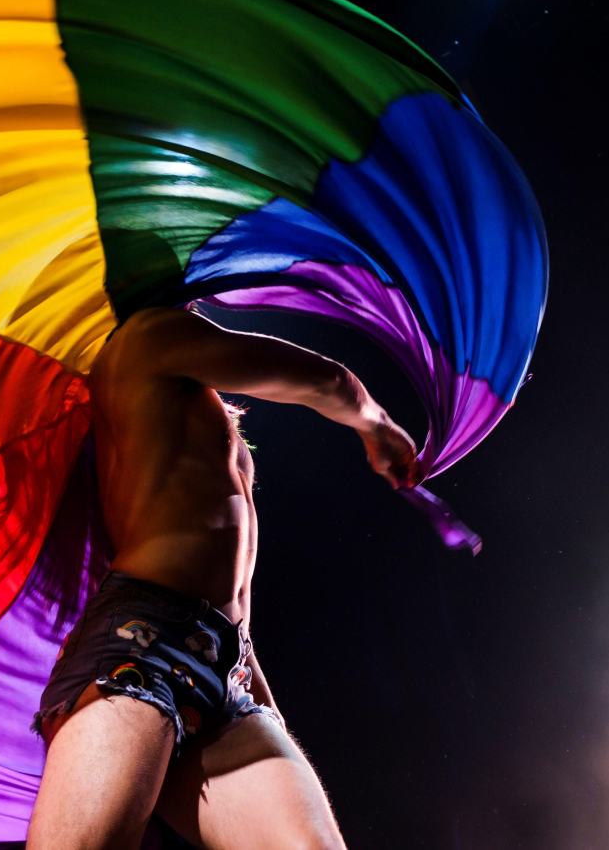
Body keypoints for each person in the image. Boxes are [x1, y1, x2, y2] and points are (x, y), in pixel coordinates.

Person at [26, 302, 419, 850]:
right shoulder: (148, 335)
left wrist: (264, 704)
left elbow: (232, 596)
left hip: (226, 668)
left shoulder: (192, 397)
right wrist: (375, 422)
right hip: (139, 647)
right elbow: (319, 378)